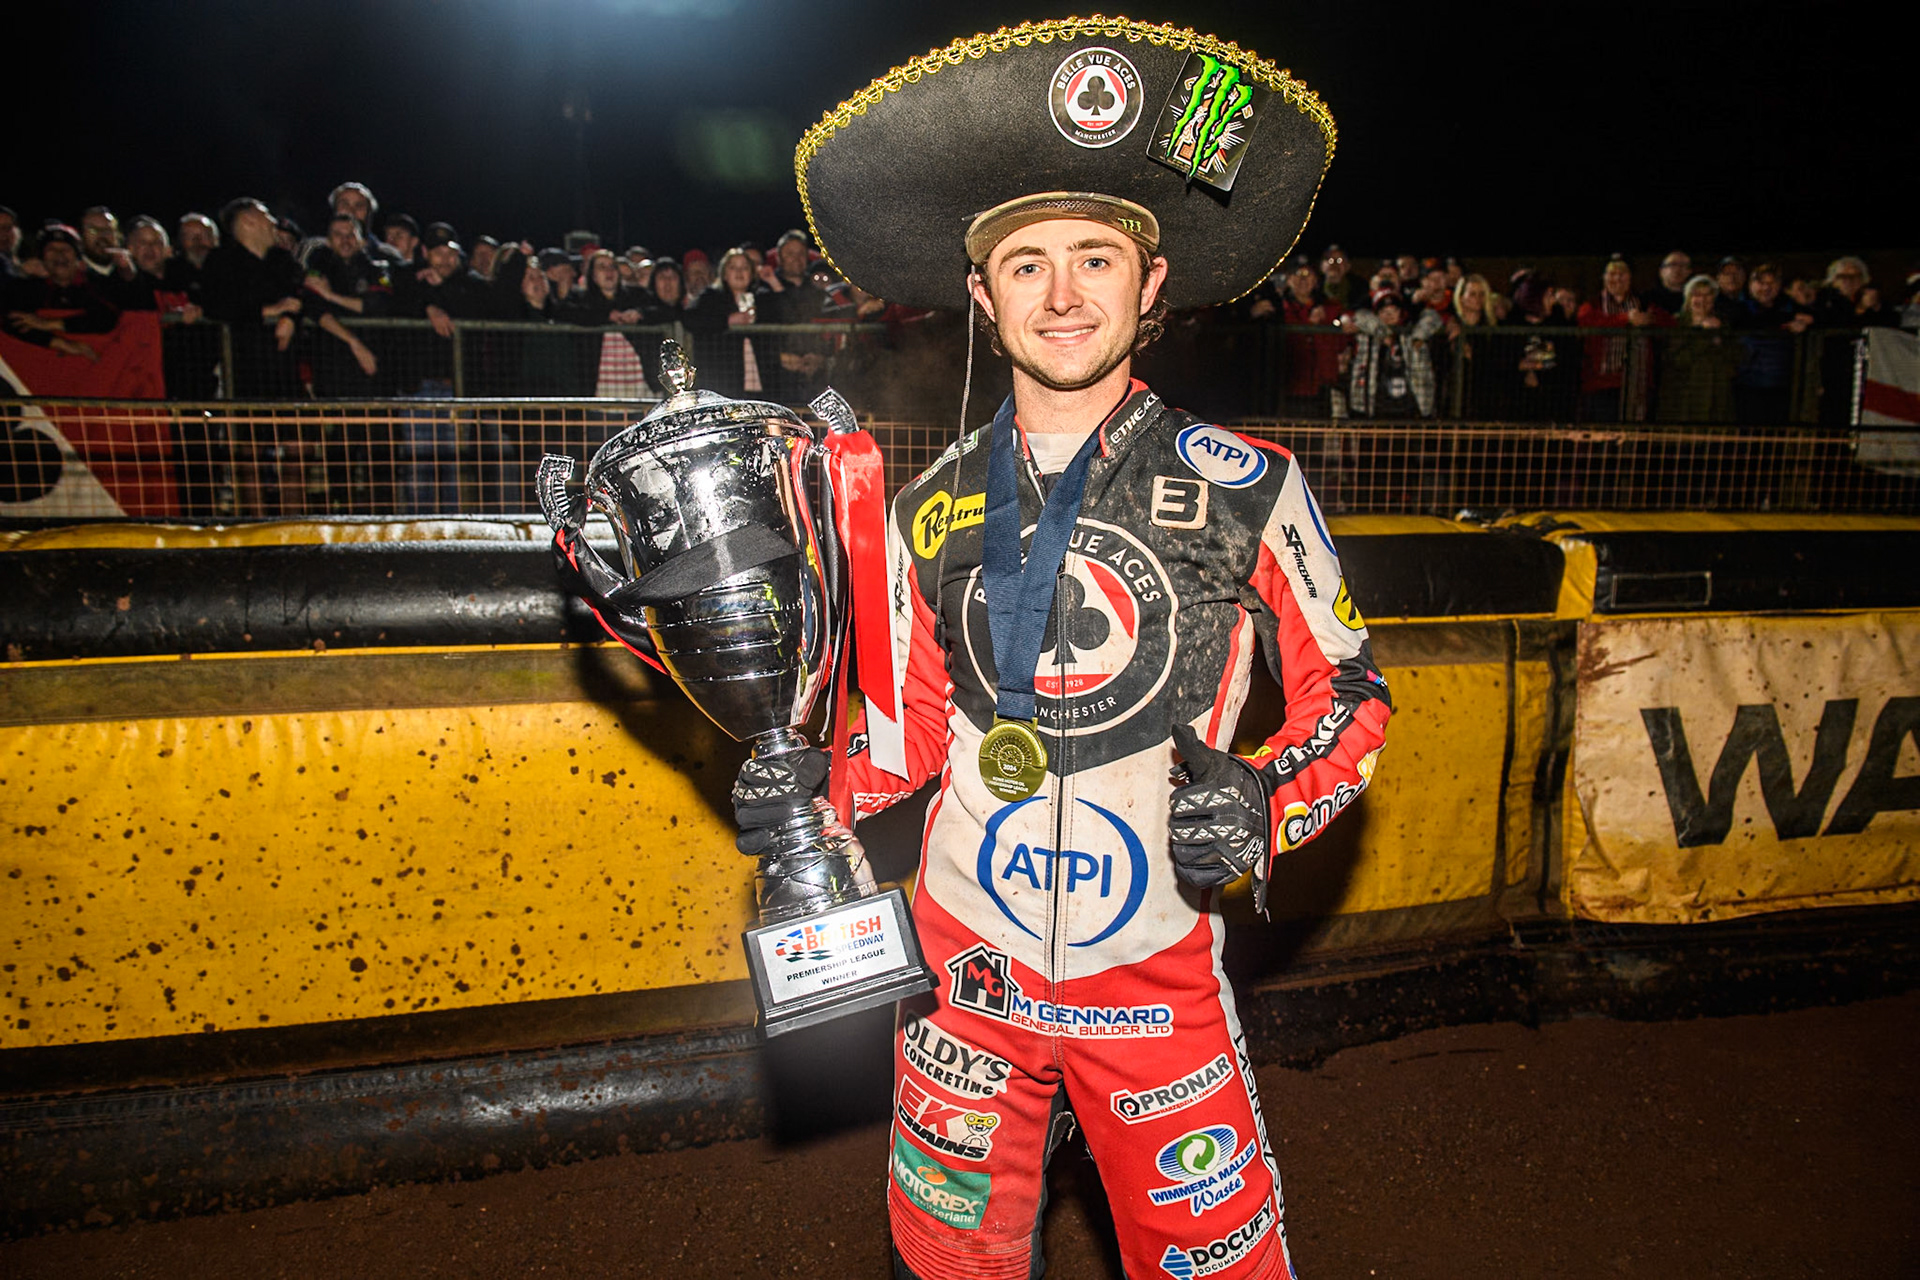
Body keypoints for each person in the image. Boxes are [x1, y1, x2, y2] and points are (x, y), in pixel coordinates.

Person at [739, 21, 1389, 1280]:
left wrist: (1268, 804)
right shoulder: (923, 503)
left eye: (1096, 257)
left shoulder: (1253, 485)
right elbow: (906, 739)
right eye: (1026, 265)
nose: (1063, 293)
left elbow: (1352, 695)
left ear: (1154, 285)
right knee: (949, 1267)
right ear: (980, 297)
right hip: (962, 977)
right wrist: (804, 792)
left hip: (1155, 984)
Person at [1575, 255, 1668, 422]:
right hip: (1600, 385)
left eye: (1623, 273)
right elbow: (1588, 323)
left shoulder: (1643, 304)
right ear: (1603, 277)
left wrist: (1650, 320)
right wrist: (1626, 319)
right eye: (1612, 273)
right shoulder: (1592, 304)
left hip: (1637, 384)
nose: (1617, 278)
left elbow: (1669, 323)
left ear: (1631, 277)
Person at [684, 246, 772, 397]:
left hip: (761, 382)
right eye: (733, 267)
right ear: (724, 273)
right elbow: (691, 319)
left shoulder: (764, 298)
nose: (739, 272)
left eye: (744, 267)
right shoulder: (710, 297)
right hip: (721, 380)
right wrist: (727, 321)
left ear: (752, 273)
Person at [1731, 263, 1811, 424]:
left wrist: (1805, 322)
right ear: (1751, 284)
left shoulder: (1790, 307)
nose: (1766, 288)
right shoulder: (1738, 308)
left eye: (1771, 283)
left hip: (1780, 387)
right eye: (1761, 283)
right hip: (1746, 386)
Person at [1657, 275, 1741, 424]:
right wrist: (1704, 335)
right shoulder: (1675, 323)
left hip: (1716, 401)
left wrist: (1718, 339)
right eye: (1697, 295)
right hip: (1683, 400)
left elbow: (1735, 359)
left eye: (1707, 295)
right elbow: (1677, 359)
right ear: (1688, 297)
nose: (1702, 300)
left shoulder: (1722, 324)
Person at [1345, 289, 1442, 417]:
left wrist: (1418, 338)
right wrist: (1382, 333)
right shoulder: (1367, 337)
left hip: (1410, 409)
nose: (1388, 315)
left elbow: (1433, 317)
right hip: (1376, 408)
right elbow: (1360, 316)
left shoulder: (1410, 333)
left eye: (1393, 311)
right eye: (1383, 312)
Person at [1645, 250, 1691, 316]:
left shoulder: (1695, 300)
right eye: (1673, 264)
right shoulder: (1647, 299)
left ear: (1689, 271)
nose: (1677, 269)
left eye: (1683, 265)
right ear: (1661, 271)